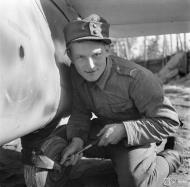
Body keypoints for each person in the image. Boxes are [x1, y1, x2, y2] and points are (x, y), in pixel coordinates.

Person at [61, 14, 181, 187]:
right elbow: (80, 111)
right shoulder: (76, 73)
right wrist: (77, 140)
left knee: (134, 181)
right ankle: (121, 164)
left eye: (96, 55)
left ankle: (171, 157)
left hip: (140, 133)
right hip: (104, 130)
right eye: (80, 57)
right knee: (60, 141)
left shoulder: (137, 78)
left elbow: (169, 122)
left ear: (108, 50)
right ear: (70, 56)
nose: (90, 65)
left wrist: (124, 129)